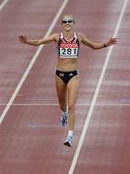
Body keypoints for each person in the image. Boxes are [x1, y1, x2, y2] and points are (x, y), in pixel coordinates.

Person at [19, 14, 117, 147]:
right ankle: (64, 113)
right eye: (64, 21)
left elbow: (93, 46)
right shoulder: (56, 37)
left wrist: (107, 44)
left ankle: (70, 135)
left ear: (73, 23)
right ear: (61, 23)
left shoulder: (79, 37)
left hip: (73, 75)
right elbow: (39, 42)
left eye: (69, 21)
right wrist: (27, 41)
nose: (67, 23)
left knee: (71, 105)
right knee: (62, 105)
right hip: (59, 74)